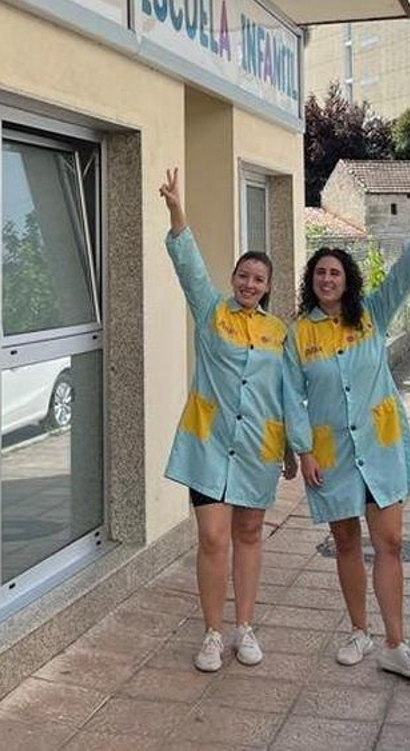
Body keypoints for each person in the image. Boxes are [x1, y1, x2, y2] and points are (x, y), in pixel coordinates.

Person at [291, 189, 410, 680]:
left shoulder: (370, 317)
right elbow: (288, 395)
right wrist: (303, 450)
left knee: (392, 541)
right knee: (344, 543)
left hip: (379, 445)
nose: (327, 279)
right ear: (311, 281)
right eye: (320, 273)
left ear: (348, 279)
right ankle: (359, 631)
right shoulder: (298, 333)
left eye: (335, 272)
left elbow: (405, 273)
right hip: (331, 454)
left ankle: (395, 642)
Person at [159, 168, 311, 673]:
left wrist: (295, 444)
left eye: (258, 279)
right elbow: (189, 269)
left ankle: (245, 628)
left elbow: (288, 393)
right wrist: (177, 212)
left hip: (257, 450)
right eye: (243, 276)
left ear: (268, 287)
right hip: (208, 444)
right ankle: (211, 633)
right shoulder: (211, 314)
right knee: (212, 538)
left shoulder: (278, 332)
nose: (249, 284)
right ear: (234, 280)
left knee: (249, 535)